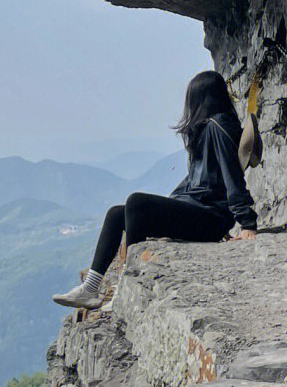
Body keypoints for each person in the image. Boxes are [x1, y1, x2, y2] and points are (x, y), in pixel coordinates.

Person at [52, 70, 258, 309]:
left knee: (136, 202)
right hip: (199, 211)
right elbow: (194, 181)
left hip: (212, 218)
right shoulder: (207, 129)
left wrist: (247, 224)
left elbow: (233, 176)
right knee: (117, 213)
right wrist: (168, 206)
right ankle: (90, 288)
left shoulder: (218, 125)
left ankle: (125, 290)